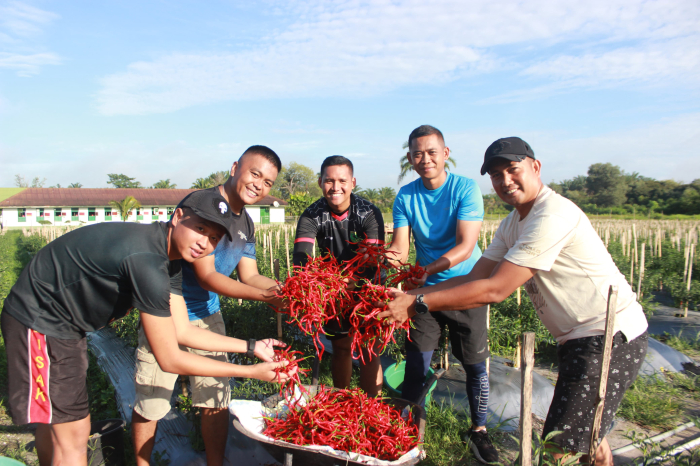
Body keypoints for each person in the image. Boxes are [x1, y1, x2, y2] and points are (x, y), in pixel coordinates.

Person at [378, 137, 649, 466]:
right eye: (495, 174)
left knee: (559, 446)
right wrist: (413, 295)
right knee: (589, 435)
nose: (505, 181)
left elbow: (495, 290)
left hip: (608, 336)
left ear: (535, 167)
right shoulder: (512, 224)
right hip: (579, 339)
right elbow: (476, 276)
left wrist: (417, 303)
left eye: (512, 170)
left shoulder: (550, 215)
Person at [0, 188, 293, 466]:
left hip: (68, 325)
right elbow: (169, 358)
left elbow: (183, 331)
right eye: (201, 229)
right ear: (178, 216)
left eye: (215, 238)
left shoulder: (170, 260)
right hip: (40, 319)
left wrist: (253, 347)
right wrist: (250, 372)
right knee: (73, 438)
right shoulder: (149, 263)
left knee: (62, 424)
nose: (205, 242)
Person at [131, 145, 284, 466]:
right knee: (153, 401)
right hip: (165, 313)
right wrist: (269, 299)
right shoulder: (203, 204)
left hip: (208, 315)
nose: (259, 184)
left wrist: (289, 293)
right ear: (235, 168)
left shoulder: (247, 224)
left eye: (268, 181)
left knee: (215, 398)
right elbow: (208, 277)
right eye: (254, 173)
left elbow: (251, 276)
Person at [385, 124, 497, 463]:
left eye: (432, 152)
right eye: (417, 154)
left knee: (475, 365)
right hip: (425, 294)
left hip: (466, 288)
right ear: (410, 158)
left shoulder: (466, 188)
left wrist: (426, 271)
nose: (425, 159)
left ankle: (478, 431)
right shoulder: (405, 195)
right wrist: (385, 260)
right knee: (417, 365)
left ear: (445, 154)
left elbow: (466, 246)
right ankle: (406, 437)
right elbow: (401, 248)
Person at [292, 155, 385, 396]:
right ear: (320, 182)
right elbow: (301, 259)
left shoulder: (369, 213)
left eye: (342, 180)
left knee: (368, 350)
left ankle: (370, 408)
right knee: (341, 347)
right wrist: (313, 284)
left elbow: (372, 261)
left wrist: (347, 282)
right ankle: (342, 402)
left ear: (353, 182)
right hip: (333, 291)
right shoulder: (311, 215)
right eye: (329, 180)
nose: (336, 187)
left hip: (367, 289)